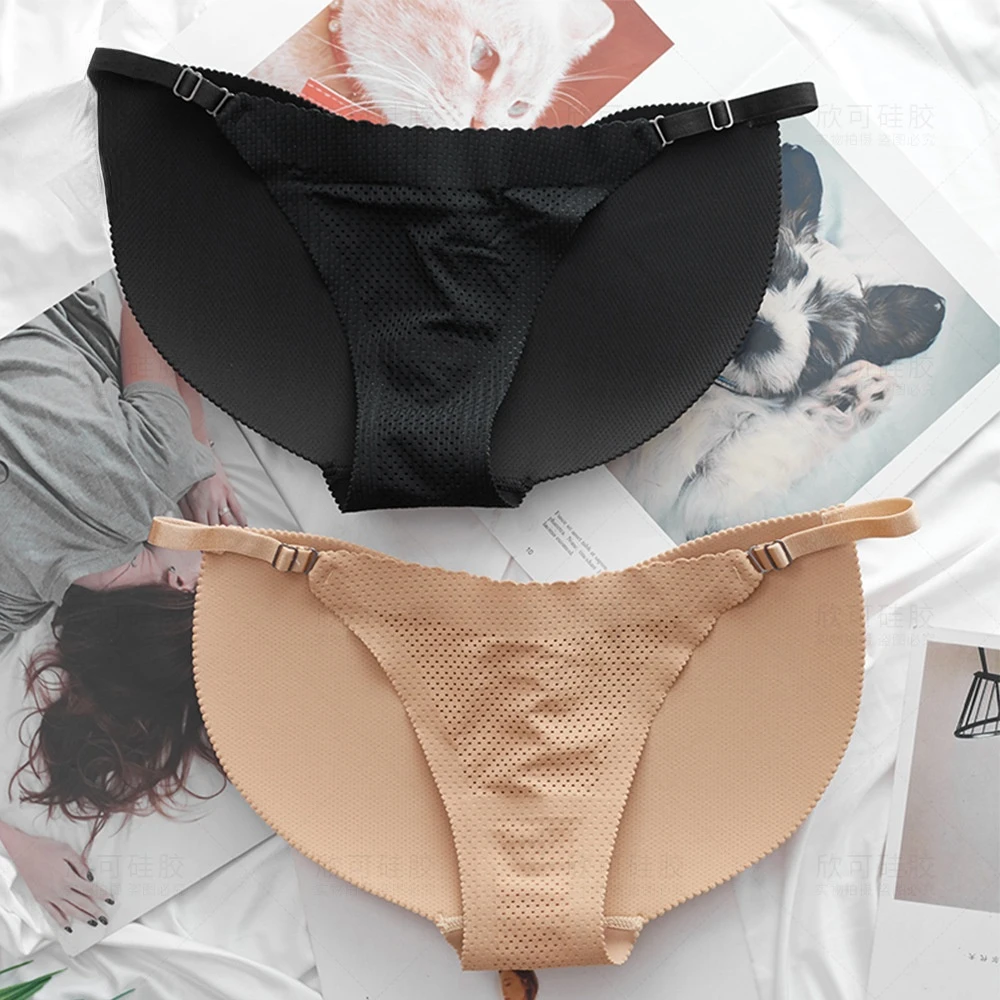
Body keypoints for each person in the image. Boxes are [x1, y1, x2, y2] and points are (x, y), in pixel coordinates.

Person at [0, 278, 247, 925]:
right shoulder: (12, 597)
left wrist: (195, 452)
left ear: (179, 587)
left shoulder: (155, 473)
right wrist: (18, 848)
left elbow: (146, 296)